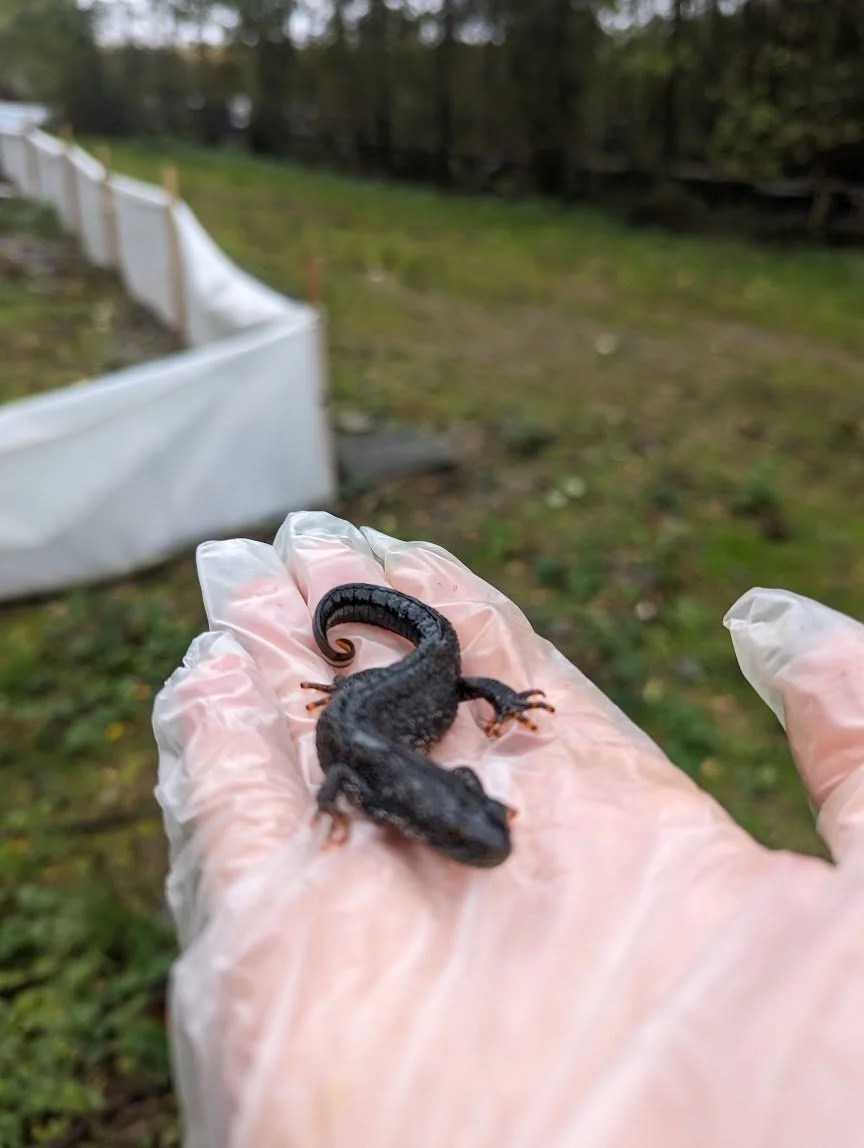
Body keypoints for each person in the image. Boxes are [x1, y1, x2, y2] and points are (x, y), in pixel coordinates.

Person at [153, 511, 864, 1148]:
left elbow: (452, 772)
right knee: (395, 698)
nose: (489, 846)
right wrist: (331, 800)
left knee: (444, 678)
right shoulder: (382, 792)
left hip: (415, 681)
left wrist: (489, 729)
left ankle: (398, 679)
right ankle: (354, 677)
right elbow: (338, 776)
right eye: (470, 837)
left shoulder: (424, 775)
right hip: (375, 707)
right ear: (427, 826)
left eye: (479, 828)